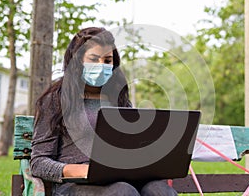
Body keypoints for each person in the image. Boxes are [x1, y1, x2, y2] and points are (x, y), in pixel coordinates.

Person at [30, 27, 178, 196]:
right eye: (93, 59)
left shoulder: (118, 98)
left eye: (107, 61)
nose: (101, 66)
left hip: (119, 179)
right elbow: (38, 162)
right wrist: (78, 170)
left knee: (159, 190)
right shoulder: (56, 99)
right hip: (72, 185)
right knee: (123, 192)